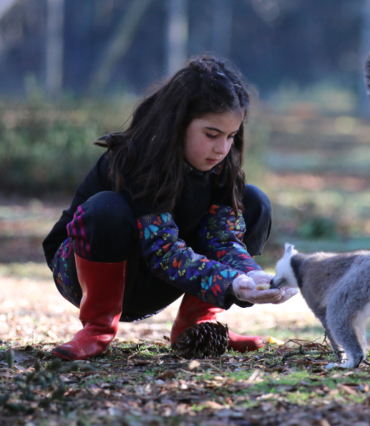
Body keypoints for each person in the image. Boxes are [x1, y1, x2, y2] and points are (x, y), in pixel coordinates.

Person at [42, 55, 298, 361]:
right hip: (81, 275)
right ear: (178, 124)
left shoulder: (221, 168)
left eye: (231, 136)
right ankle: (96, 329)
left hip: (158, 277)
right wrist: (228, 282)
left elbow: (223, 240)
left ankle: (197, 327)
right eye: (211, 134)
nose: (222, 148)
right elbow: (162, 251)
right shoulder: (137, 160)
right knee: (106, 209)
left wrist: (250, 277)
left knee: (254, 202)